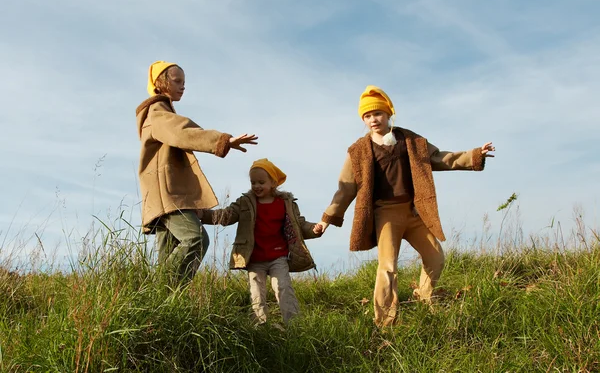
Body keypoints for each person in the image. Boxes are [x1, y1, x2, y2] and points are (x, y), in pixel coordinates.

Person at [315, 85, 495, 326]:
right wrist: (328, 218)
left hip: (412, 211)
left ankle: (425, 297)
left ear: (389, 113)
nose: (372, 120)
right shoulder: (358, 150)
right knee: (387, 266)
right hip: (385, 215)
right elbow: (346, 187)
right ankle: (385, 323)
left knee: (435, 257)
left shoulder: (410, 140)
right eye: (367, 116)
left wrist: (474, 155)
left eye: (377, 114)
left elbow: (440, 157)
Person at [135, 60, 258, 285]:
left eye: (184, 82)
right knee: (196, 239)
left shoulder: (160, 112)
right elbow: (183, 132)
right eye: (177, 81)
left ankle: (160, 304)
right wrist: (223, 141)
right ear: (161, 83)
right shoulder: (157, 112)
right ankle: (159, 287)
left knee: (167, 254)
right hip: (169, 196)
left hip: (166, 195)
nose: (183, 86)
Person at [202, 158, 321, 325]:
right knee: (257, 293)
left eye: (261, 182)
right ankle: (260, 325)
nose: (256, 186)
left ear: (273, 182)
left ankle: (294, 325)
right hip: (255, 258)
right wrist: (202, 215)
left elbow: (299, 225)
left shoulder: (285, 203)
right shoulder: (246, 202)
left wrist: (315, 229)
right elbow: (227, 215)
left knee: (283, 287)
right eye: (253, 182)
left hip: (278, 257)